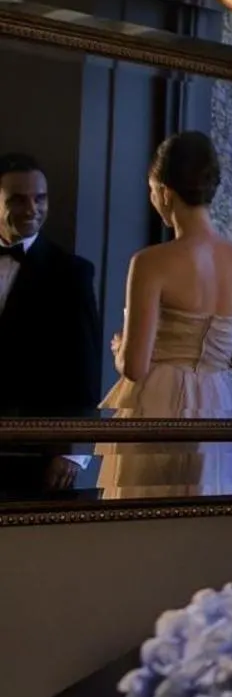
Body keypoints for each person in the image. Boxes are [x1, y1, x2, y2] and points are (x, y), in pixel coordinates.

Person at [97, 131, 232, 498]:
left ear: (166, 192)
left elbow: (134, 366)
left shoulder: (151, 262)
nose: (153, 199)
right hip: (216, 401)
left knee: (148, 510)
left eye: (152, 190)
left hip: (159, 400)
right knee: (206, 506)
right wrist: (210, 350)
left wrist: (120, 347)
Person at [0, 151, 102, 496]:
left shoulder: (71, 273)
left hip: (34, 455)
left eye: (40, 198)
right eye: (18, 199)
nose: (32, 209)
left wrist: (73, 451)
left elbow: (85, 370)